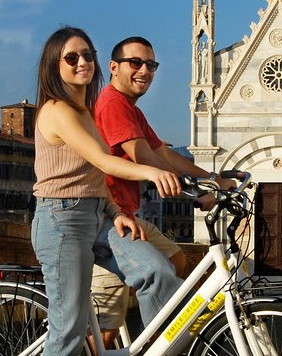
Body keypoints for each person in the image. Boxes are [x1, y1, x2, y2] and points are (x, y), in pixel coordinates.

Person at [31, 26, 184, 356]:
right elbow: (103, 160)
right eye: (72, 57)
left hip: (99, 216)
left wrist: (115, 213)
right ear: (53, 66)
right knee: (69, 331)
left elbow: (95, 174)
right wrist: (152, 171)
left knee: (156, 271)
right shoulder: (55, 110)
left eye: (88, 55)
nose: (82, 62)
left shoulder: (85, 112)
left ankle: (162, 351)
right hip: (62, 221)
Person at [90, 36, 234, 348]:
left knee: (175, 259)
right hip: (103, 220)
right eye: (136, 63)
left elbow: (165, 155)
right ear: (114, 67)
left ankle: (156, 337)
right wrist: (192, 191)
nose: (145, 70)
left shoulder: (130, 109)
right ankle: (161, 346)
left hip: (127, 218)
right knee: (102, 334)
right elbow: (145, 158)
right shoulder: (113, 103)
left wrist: (212, 178)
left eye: (151, 65)